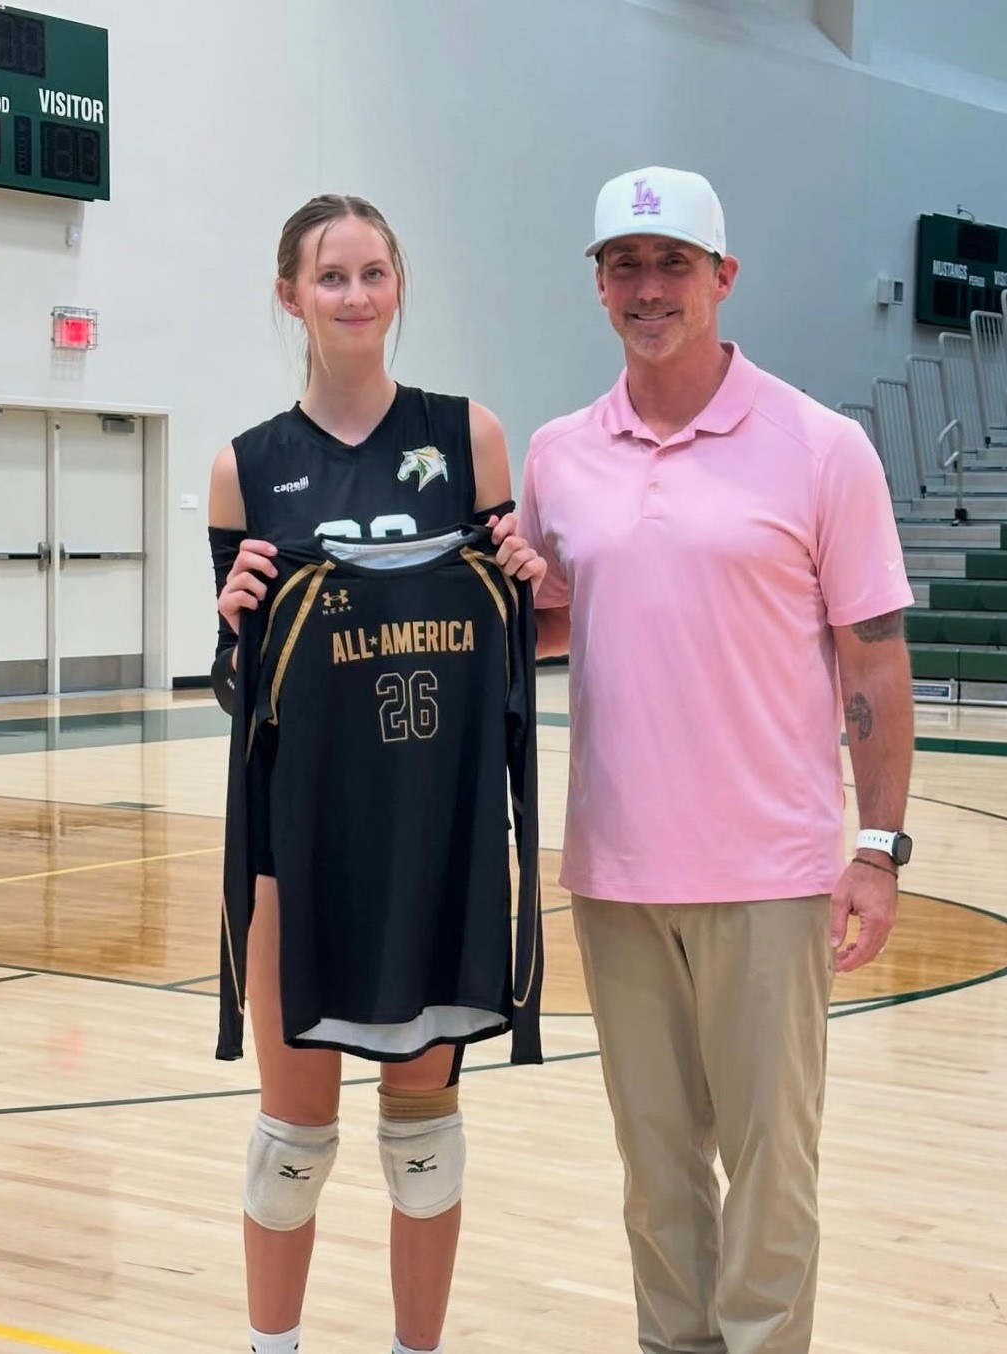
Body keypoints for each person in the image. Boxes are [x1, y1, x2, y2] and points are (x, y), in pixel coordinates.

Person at [511, 166, 916, 1353]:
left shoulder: (820, 446)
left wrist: (879, 849)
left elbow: (873, 662)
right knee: (655, 1178)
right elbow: (557, 620)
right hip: (615, 875)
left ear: (721, 278)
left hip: (769, 875)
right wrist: (521, 598)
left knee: (770, 1184)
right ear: (596, 287)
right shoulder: (556, 454)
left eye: (671, 265)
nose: (648, 289)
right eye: (624, 267)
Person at [207, 193, 545, 1354]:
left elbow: (522, 635)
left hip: (433, 830)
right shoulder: (245, 466)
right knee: (290, 1143)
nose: (354, 295)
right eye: (330, 275)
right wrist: (231, 622)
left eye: (372, 272)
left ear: (398, 285)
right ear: (290, 293)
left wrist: (529, 582)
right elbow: (233, 682)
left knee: (423, 1133)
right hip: (297, 841)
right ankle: (273, 1346)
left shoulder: (468, 438)